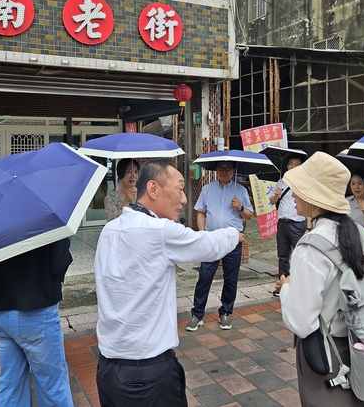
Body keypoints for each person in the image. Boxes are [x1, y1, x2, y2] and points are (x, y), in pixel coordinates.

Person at [95, 159, 240, 407]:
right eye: (180, 189)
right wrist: (234, 233)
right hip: (147, 375)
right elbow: (208, 246)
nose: (184, 199)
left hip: (108, 369)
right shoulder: (159, 231)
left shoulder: (110, 229)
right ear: (153, 189)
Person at [278, 152, 364, 407]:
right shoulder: (362, 234)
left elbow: (302, 322)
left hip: (328, 353)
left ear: (314, 198)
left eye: (298, 190)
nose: (292, 195)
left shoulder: (310, 248)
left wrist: (286, 289)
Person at [0, 239, 74, 407]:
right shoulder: (46, 218)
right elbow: (60, 263)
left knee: (10, 388)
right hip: (38, 315)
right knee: (53, 389)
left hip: (1, 314)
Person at [186, 161, 253, 331]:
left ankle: (225, 312)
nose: (224, 171)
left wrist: (241, 207)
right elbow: (200, 212)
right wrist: (203, 234)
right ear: (216, 170)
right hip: (212, 239)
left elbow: (250, 215)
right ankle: (197, 314)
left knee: (231, 279)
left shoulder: (241, 191)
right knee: (204, 277)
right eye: (221, 168)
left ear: (233, 170)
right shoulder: (207, 189)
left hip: (232, 241)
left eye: (228, 168)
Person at [269, 154, 307, 297]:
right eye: (291, 164)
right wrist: (276, 195)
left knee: (299, 255)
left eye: (297, 164)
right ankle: (282, 287)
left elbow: (308, 206)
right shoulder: (281, 181)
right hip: (282, 223)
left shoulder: (304, 183)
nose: (293, 167)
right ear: (287, 166)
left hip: (297, 224)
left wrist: (308, 227)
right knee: (283, 256)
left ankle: (300, 286)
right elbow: (272, 202)